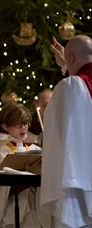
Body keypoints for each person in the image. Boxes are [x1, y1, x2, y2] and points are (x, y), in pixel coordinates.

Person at [41, 35, 92, 227]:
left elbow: (60, 132)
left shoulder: (70, 86)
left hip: (78, 190)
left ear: (70, 57)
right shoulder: (76, 85)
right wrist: (66, 66)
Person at [0, 103, 44, 228]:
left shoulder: (33, 148)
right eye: (18, 124)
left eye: (26, 123)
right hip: (10, 208)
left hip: (31, 207)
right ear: (5, 126)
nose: (24, 128)